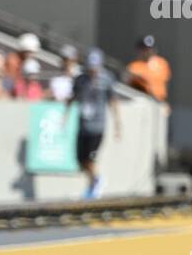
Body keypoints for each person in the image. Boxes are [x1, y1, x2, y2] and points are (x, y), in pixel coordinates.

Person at [69, 49, 121, 200]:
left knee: (90, 159)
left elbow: (113, 102)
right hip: (83, 125)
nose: (92, 71)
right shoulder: (81, 79)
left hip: (97, 126)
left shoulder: (106, 79)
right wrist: (64, 117)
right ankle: (93, 183)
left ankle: (96, 182)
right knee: (80, 161)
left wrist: (118, 125)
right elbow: (73, 97)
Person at [125, 35, 171, 106]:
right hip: (144, 103)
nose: (148, 51)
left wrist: (165, 102)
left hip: (160, 102)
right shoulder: (134, 66)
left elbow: (165, 83)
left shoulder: (162, 63)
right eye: (144, 49)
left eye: (150, 48)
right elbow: (128, 85)